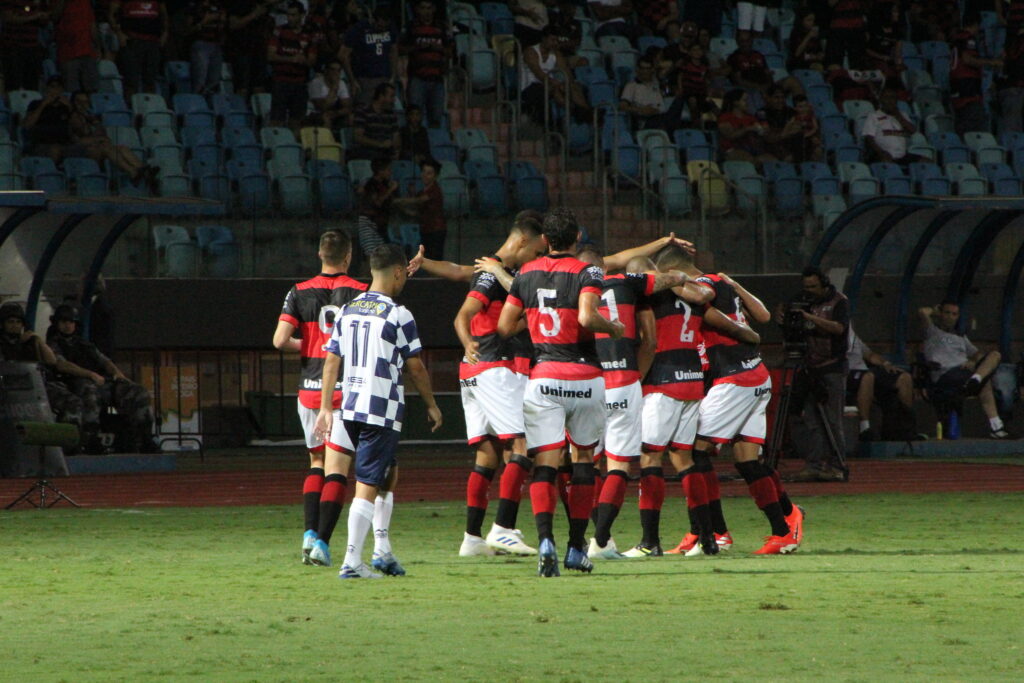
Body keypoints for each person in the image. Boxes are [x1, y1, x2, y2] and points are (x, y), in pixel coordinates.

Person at [496, 209, 623, 577]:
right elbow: (586, 317)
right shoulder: (589, 271)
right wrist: (611, 327)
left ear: (546, 241)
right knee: (584, 460)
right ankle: (575, 548)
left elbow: (505, 326)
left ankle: (546, 541)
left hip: (544, 376)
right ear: (576, 239)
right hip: (585, 376)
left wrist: (534, 317)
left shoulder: (525, 275)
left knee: (545, 465)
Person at [314, 244, 443, 579]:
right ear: (398, 272)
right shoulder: (399, 314)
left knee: (388, 473)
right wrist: (431, 404)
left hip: (350, 405)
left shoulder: (348, 309)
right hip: (380, 409)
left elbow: (331, 361)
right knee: (368, 483)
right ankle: (352, 561)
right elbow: (415, 368)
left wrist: (326, 407)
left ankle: (382, 551)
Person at [574, 247, 694, 560]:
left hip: (585, 382)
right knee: (619, 465)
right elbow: (651, 340)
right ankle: (600, 541)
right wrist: (684, 275)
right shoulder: (626, 283)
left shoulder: (570, 289)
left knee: (583, 463)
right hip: (625, 380)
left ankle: (592, 537)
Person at [688, 270, 803, 555]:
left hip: (735, 379)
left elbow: (705, 301)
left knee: (694, 453)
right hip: (755, 374)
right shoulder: (726, 285)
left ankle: (715, 532)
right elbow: (763, 315)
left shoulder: (701, 288)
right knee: (747, 460)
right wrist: (737, 284)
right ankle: (785, 525)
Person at [453, 215, 548, 557]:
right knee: (522, 446)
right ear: (523, 241)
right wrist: (468, 342)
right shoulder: (494, 276)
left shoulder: (494, 271)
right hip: (496, 368)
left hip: (475, 371)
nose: (539, 256)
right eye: (538, 249)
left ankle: (472, 538)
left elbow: (458, 274)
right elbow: (463, 314)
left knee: (488, 453)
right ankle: (504, 529)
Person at [272, 230, 368, 564]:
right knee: (338, 469)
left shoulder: (298, 292)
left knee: (316, 461)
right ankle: (322, 546)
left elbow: (279, 340)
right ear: (348, 256)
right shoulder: (361, 291)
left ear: (319, 254)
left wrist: (311, 346)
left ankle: (309, 534)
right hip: (346, 392)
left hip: (309, 390)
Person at [46, 304, 157, 453]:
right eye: (64, 321)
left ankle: (144, 438)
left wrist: (119, 375)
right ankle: (91, 438)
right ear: (57, 323)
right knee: (89, 390)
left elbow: (105, 361)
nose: (68, 325)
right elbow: (61, 365)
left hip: (100, 381)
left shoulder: (84, 344)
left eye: (71, 321)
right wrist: (90, 375)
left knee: (138, 391)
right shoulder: (53, 344)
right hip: (73, 383)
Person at [0, 302, 104, 450]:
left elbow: (51, 361)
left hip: (38, 385)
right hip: (11, 388)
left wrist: (37, 340)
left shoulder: (30, 341)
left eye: (18, 322)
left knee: (73, 402)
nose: (14, 325)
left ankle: (71, 444)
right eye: (10, 322)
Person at [782, 267, 850, 482]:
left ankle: (837, 466)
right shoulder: (803, 300)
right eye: (806, 287)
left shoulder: (839, 301)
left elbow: (840, 328)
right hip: (809, 366)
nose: (809, 291)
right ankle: (814, 465)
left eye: (813, 286)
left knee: (832, 420)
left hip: (832, 367)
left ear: (824, 284)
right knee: (811, 419)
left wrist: (809, 317)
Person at [919, 302, 1009, 439]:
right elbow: (922, 311)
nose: (950, 317)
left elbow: (978, 356)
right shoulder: (932, 331)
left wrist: (972, 362)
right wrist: (936, 312)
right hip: (946, 375)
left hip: (965, 373)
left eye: (954, 314)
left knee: (995, 356)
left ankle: (996, 427)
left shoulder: (961, 337)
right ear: (941, 314)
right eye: (947, 313)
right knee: (986, 383)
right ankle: (977, 380)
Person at [69, 90, 155, 187]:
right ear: (74, 103)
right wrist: (97, 139)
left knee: (122, 148)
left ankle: (142, 169)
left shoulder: (91, 117)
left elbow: (104, 136)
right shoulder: (72, 117)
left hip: (98, 147)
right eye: (79, 102)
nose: (83, 105)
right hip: (82, 151)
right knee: (106, 147)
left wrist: (96, 124)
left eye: (85, 102)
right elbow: (78, 141)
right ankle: (132, 172)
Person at [847, 328, 917, 441]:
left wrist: (885, 363)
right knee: (868, 377)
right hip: (847, 372)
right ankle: (864, 429)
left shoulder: (851, 332)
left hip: (865, 369)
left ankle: (906, 427)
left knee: (904, 378)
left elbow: (869, 354)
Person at [519, 26, 592, 124]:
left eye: (557, 41)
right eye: (552, 40)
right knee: (555, 88)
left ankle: (586, 111)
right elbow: (539, 74)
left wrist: (569, 84)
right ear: (544, 38)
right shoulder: (530, 52)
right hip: (529, 88)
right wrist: (557, 84)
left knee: (573, 85)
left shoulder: (556, 54)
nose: (555, 43)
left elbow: (567, 73)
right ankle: (577, 110)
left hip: (549, 85)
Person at [400, 0, 452, 129]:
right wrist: (417, 47)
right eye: (423, 8)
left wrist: (439, 48)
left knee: (436, 118)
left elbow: (450, 51)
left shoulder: (442, 27)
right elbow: (400, 50)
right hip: (417, 79)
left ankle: (434, 146)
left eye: (429, 8)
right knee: (414, 118)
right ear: (417, 10)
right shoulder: (411, 27)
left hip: (437, 80)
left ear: (434, 9)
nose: (426, 12)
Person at [267, 1, 316, 131]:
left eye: (293, 15)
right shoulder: (279, 31)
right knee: (276, 120)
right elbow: (270, 55)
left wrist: (303, 60)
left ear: (302, 15)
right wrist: (291, 59)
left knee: (297, 122)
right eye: (288, 15)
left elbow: (312, 61)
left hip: (299, 83)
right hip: (281, 82)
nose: (290, 18)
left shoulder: (309, 34)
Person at [951, 17, 1003, 137]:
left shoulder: (956, 38)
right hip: (967, 87)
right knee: (975, 127)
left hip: (957, 87)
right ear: (975, 24)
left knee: (963, 124)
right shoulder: (967, 38)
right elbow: (968, 59)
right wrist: (993, 63)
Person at [341, 6, 398, 107]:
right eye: (380, 26)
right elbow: (343, 55)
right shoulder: (359, 29)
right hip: (364, 78)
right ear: (373, 19)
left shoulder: (391, 28)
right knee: (365, 109)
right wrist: (352, 80)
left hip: (384, 76)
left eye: (385, 27)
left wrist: (393, 75)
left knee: (386, 111)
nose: (382, 29)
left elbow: (393, 51)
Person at [110, 0, 169, 97]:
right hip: (132, 41)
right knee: (131, 80)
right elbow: (111, 14)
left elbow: (164, 14)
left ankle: (149, 108)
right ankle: (131, 107)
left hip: (152, 42)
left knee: (150, 79)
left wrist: (165, 32)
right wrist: (119, 33)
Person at [862, 86, 922, 166]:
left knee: (927, 162)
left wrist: (898, 115)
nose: (889, 101)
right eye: (886, 97)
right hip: (882, 154)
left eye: (892, 98)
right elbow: (869, 139)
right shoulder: (874, 116)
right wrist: (881, 152)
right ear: (881, 100)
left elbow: (913, 131)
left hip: (902, 156)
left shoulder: (903, 115)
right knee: (887, 162)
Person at [225, 0, 274, 98]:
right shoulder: (239, 4)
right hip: (242, 49)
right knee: (242, 85)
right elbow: (233, 24)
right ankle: (241, 109)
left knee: (259, 85)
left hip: (259, 50)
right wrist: (254, 15)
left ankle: (258, 111)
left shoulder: (263, 6)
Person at [22, 76, 76, 164]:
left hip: (65, 144)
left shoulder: (67, 106)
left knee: (93, 149)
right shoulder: (36, 104)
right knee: (55, 150)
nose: (55, 90)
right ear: (47, 89)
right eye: (52, 87)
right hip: (41, 144)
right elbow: (27, 125)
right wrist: (43, 105)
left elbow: (77, 127)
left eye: (58, 87)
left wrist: (70, 107)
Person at [53, 0, 101, 94]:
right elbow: (54, 17)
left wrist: (98, 46)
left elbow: (92, 24)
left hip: (87, 51)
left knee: (92, 90)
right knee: (71, 91)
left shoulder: (86, 3)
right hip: (68, 53)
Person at [1, 0, 48, 92]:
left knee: (32, 84)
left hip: (32, 46)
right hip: (13, 47)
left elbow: (44, 20)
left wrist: (43, 18)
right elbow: (8, 17)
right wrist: (34, 17)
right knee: (13, 84)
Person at [717, 89, 775, 163]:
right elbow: (730, 135)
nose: (747, 103)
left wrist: (764, 130)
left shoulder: (751, 118)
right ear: (736, 102)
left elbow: (761, 133)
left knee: (773, 161)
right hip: (733, 149)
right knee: (749, 160)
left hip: (753, 149)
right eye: (744, 100)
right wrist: (748, 129)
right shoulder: (725, 117)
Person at [187, 0, 228, 96]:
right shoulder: (195, 6)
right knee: (200, 78)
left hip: (216, 45)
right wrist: (205, 21)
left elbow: (224, 27)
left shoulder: (218, 5)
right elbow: (188, 29)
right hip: (201, 43)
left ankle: (211, 105)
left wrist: (222, 21)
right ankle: (197, 102)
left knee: (214, 79)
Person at [353, 82, 400, 160]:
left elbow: (396, 136)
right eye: (391, 96)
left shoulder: (391, 114)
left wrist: (396, 149)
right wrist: (379, 144)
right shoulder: (363, 111)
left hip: (386, 151)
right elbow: (358, 137)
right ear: (381, 96)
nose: (394, 100)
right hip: (367, 150)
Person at [308, 60, 353, 131]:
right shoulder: (316, 83)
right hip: (315, 112)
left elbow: (347, 106)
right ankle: (327, 140)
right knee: (326, 117)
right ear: (326, 70)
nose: (336, 73)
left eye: (338, 70)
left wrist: (337, 113)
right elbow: (322, 107)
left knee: (351, 116)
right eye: (333, 69)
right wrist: (334, 87)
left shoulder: (341, 83)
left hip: (334, 111)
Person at [824, 0, 867, 70]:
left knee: (858, 61)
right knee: (834, 60)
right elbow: (830, 3)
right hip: (838, 27)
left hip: (857, 27)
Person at [998, 28, 1024, 135]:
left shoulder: (1010, 40)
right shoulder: (1018, 42)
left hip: (1009, 87)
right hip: (1016, 89)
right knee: (1013, 129)